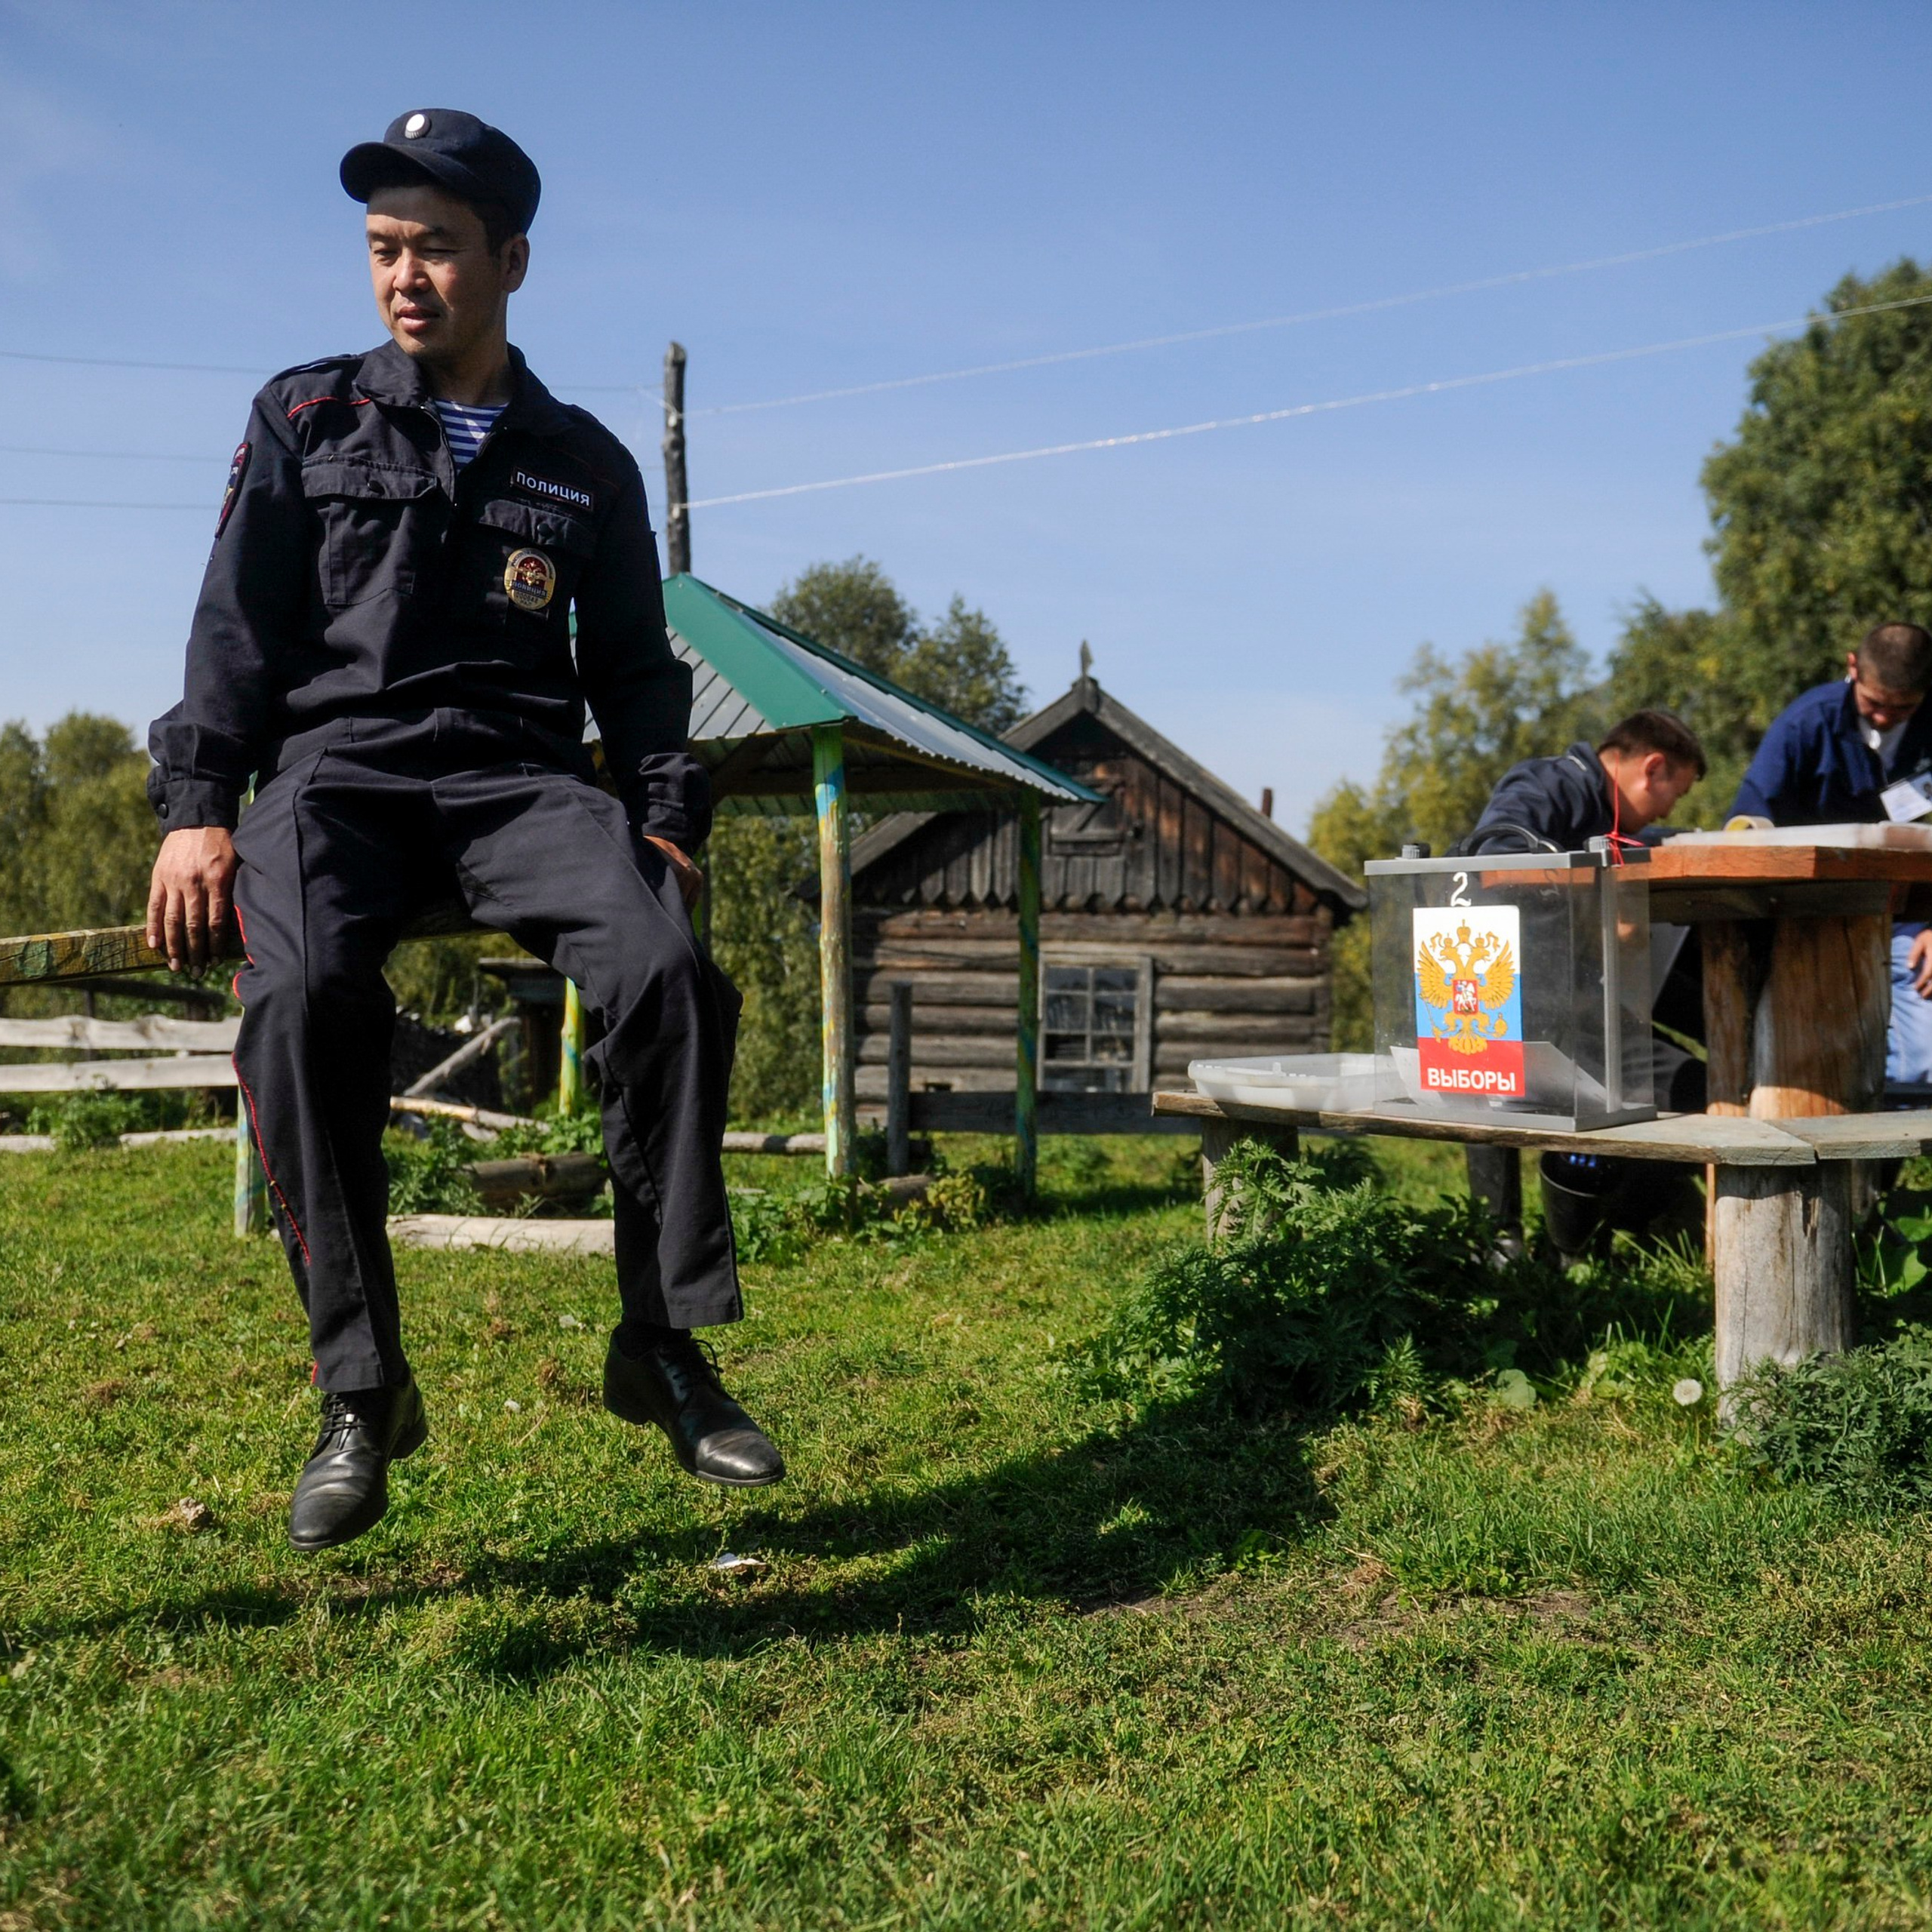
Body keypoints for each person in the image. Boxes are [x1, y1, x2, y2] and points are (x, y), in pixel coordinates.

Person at [143, 110, 783, 1553]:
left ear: (512, 261)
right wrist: (198, 811)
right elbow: (235, 628)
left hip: (518, 781)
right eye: (383, 247)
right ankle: (360, 1390)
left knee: (667, 973)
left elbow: (637, 671)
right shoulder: (307, 416)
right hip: (337, 777)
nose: (404, 275)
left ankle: (663, 1344)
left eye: (435, 246)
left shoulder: (583, 460)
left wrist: (666, 818)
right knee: (297, 1000)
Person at [1451, 710, 1709, 1261]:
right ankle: (1503, 1247)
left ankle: (1594, 1234)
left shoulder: (1603, 812)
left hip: (1586, 1013)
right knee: (1493, 1083)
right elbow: (1494, 856)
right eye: (1677, 793)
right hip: (1517, 1014)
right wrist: (1597, 878)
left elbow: (1621, 841)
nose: (1668, 809)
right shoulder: (1547, 784)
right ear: (1652, 768)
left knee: (1704, 1092)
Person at [1730, 621, 1932, 1085]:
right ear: (1852, 667)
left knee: (1923, 1061)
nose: (1886, 718)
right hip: (1807, 919)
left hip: (1908, 917)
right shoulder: (1805, 723)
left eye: (1904, 708)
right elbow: (1746, 825)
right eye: (1875, 703)